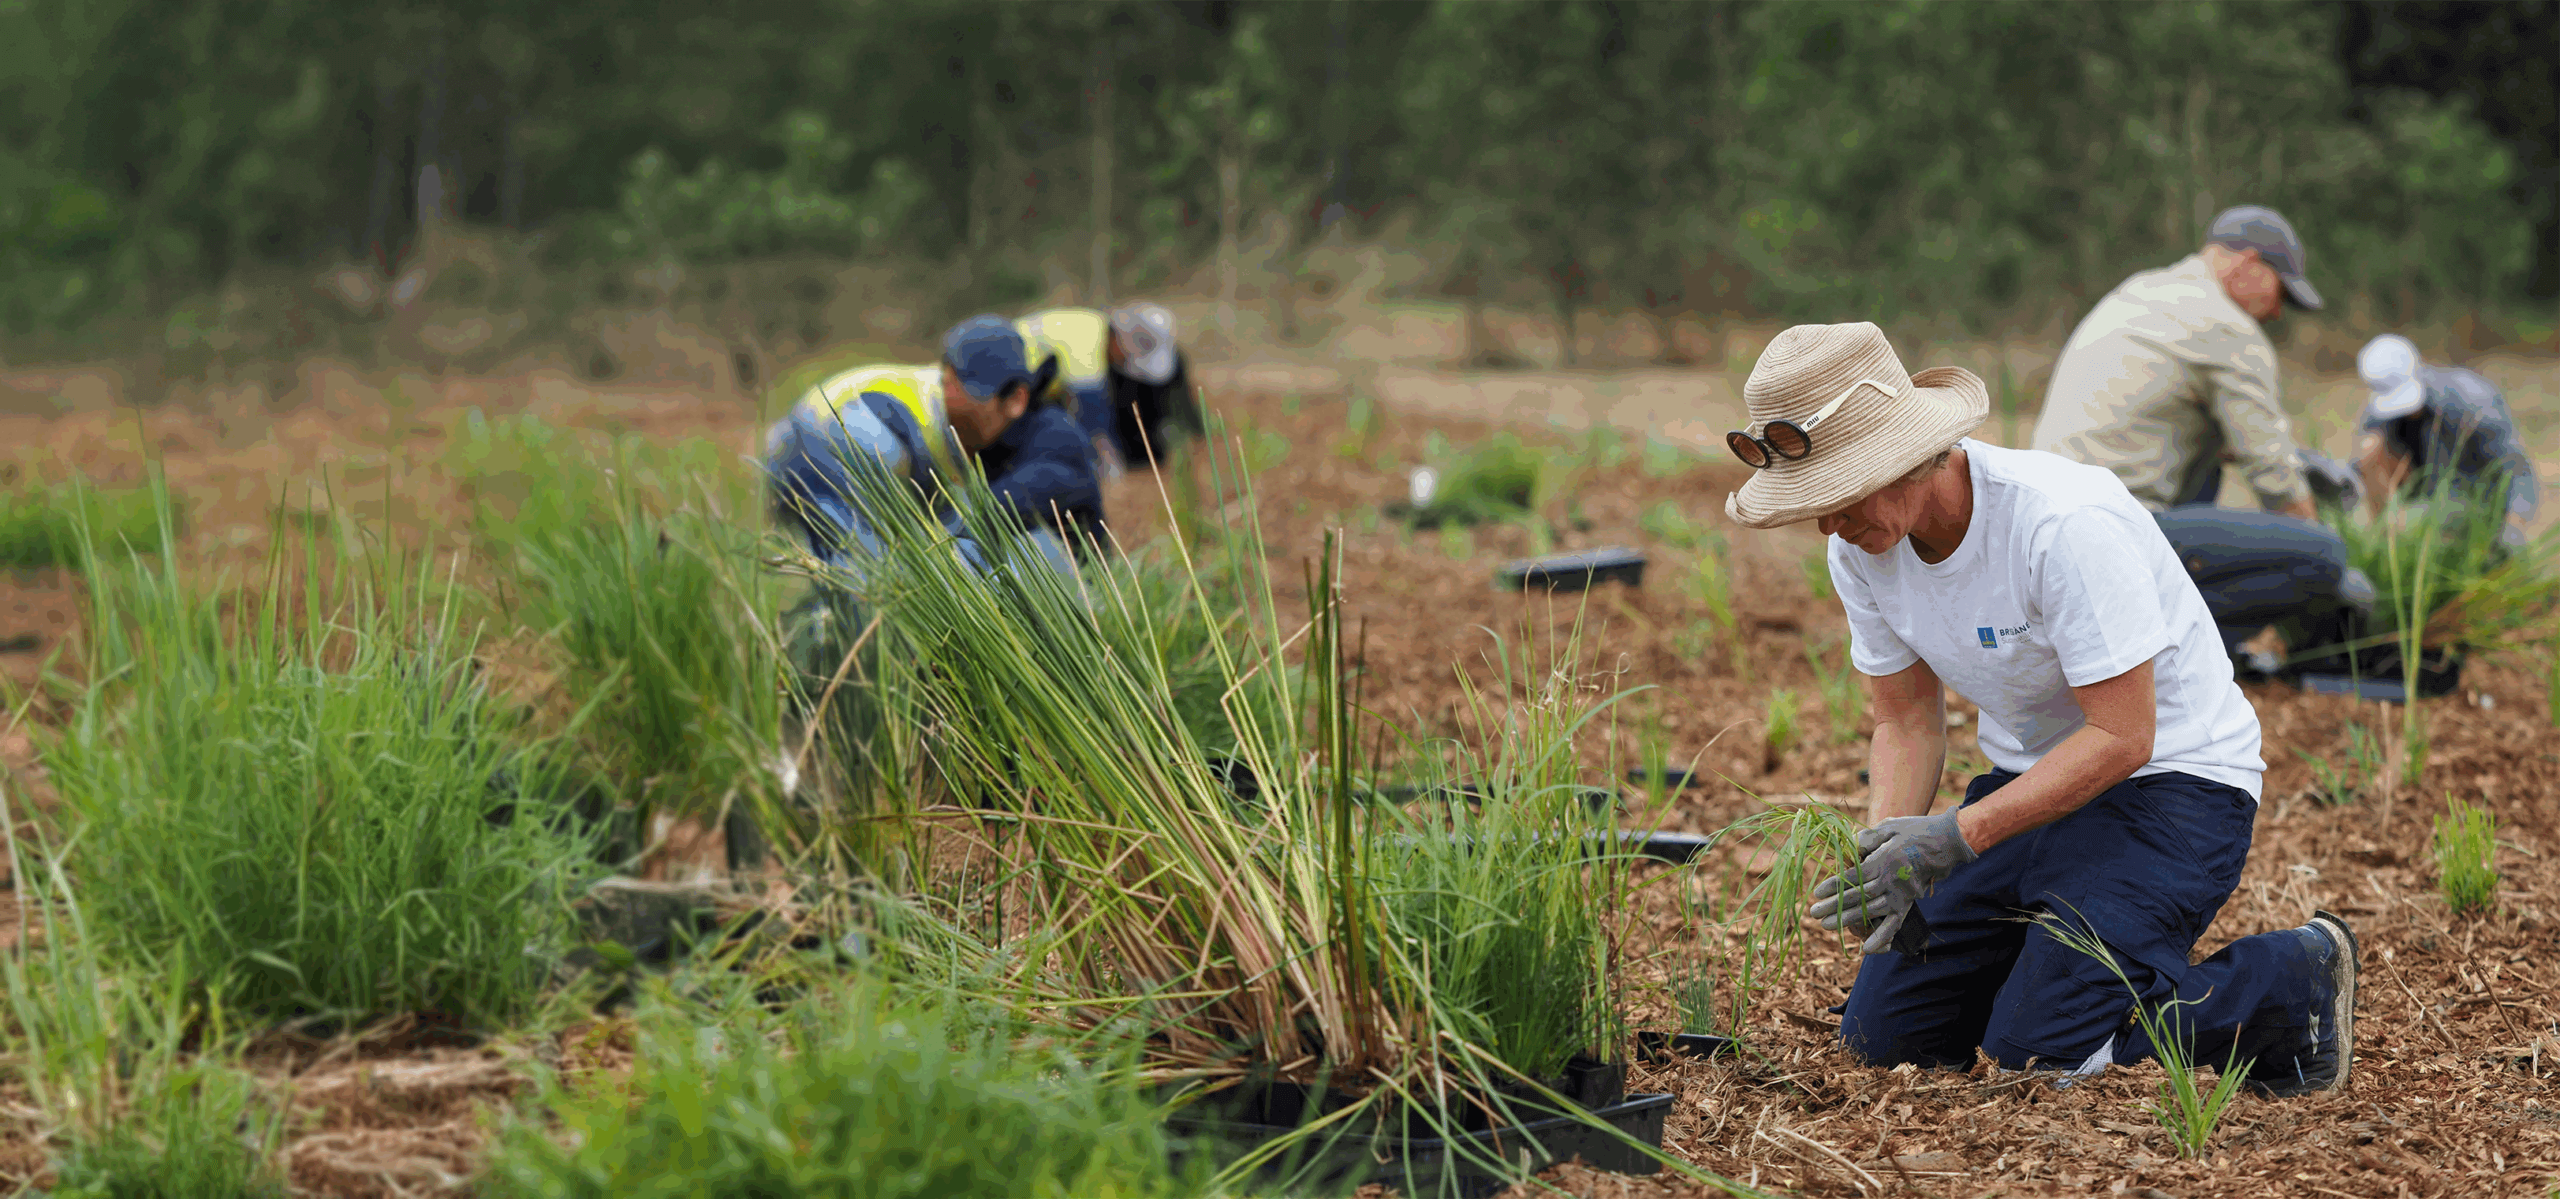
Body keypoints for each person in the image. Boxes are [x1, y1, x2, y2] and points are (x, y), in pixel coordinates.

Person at [1723, 321, 2357, 1094]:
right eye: (1813, 503)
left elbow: (2125, 735)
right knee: (1886, 1042)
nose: (1827, 522)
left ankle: (2289, 978)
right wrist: (1889, 852)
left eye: (1839, 494)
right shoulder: (1860, 546)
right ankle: (2035, 979)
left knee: (2039, 1058)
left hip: (2174, 789)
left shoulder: (2060, 523)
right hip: (2036, 787)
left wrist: (1957, 836)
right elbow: (1905, 719)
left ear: (1909, 456)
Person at [2030, 205, 2372, 674]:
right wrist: (2339, 573)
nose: (2277, 311)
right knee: (2321, 557)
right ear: (2249, 263)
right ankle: (2182, 655)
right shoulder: (2228, 330)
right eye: (2281, 293)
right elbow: (2275, 480)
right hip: (2107, 537)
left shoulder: (2142, 290)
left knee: (2210, 454)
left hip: (2040, 538)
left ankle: (2163, 637)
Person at [764, 315, 1103, 577]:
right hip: (816, 453)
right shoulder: (887, 436)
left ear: (1016, 399)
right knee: (865, 585)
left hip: (838, 450)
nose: (951, 390)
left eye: (967, 387)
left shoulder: (986, 434)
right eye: (951, 379)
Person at [2354, 333, 2539, 539]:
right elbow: (2358, 468)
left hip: (2475, 502)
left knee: (2416, 522)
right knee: (2370, 448)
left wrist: (2513, 529)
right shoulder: (2378, 417)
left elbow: (2515, 468)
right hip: (2422, 500)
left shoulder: (2470, 400)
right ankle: (2385, 540)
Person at [1015, 302, 1202, 474]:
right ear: (1120, 338)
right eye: (1128, 357)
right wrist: (1114, 475)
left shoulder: (1092, 326)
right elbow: (1093, 424)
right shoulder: (1086, 346)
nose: (1124, 363)